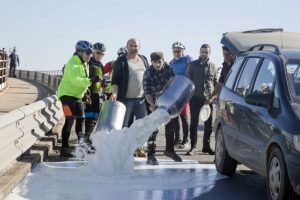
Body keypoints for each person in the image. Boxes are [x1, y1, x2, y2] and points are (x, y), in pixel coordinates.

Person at [57, 40, 96, 157]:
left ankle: (81, 146)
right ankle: (64, 148)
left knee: (81, 119)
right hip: (66, 96)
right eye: (88, 53)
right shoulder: (72, 64)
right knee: (69, 120)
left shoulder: (84, 64)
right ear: (80, 52)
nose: (90, 56)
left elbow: (82, 81)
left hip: (77, 96)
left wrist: (86, 94)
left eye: (91, 54)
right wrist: (91, 81)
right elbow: (76, 81)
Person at [110, 38, 149, 157]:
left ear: (139, 47)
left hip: (141, 99)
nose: (133, 48)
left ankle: (139, 148)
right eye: (131, 46)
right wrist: (115, 93)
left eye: (136, 46)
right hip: (126, 100)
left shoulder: (144, 59)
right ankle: (124, 150)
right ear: (127, 46)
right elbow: (115, 80)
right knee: (124, 126)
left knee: (142, 126)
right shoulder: (120, 61)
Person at [143, 52, 182, 164]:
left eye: (159, 62)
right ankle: (151, 155)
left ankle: (170, 150)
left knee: (170, 126)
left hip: (167, 101)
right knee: (152, 128)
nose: (157, 65)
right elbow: (147, 92)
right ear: (152, 62)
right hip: (152, 100)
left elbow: (174, 84)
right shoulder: (148, 72)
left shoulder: (168, 69)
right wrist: (152, 105)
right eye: (155, 62)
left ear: (163, 61)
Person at [186, 44, 217, 156]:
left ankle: (206, 146)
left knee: (208, 125)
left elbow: (215, 83)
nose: (204, 54)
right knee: (194, 123)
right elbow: (188, 82)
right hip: (195, 98)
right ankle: (193, 147)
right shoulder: (192, 65)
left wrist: (212, 98)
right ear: (199, 52)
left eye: (206, 52)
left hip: (208, 100)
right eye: (202, 52)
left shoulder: (213, 66)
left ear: (209, 53)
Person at [169, 41, 192, 149]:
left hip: (184, 93)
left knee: (184, 117)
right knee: (175, 117)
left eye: (179, 51)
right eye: (175, 51)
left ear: (183, 51)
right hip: (174, 93)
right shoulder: (171, 62)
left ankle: (186, 141)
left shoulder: (187, 59)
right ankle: (176, 140)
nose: (177, 53)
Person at [84, 42, 106, 143]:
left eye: (102, 54)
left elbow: (100, 79)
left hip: (96, 94)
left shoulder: (100, 65)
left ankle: (91, 139)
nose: (99, 56)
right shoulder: (88, 62)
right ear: (93, 52)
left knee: (95, 118)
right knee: (88, 117)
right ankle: (86, 139)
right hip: (88, 93)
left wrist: (103, 86)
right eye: (97, 53)